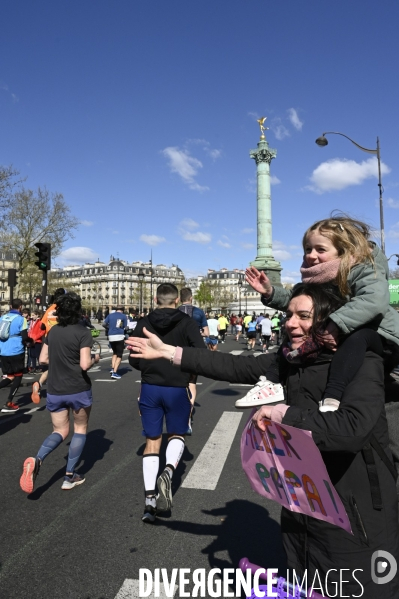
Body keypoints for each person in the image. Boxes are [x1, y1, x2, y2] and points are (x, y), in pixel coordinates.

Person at [128, 283, 399, 598]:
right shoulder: (293, 359)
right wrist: (170, 353)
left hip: (356, 515)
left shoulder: (362, 360)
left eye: (303, 316)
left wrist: (286, 415)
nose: (290, 323)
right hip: (304, 506)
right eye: (289, 315)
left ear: (330, 320)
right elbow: (235, 365)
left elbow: (352, 428)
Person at [242, 215, 399, 412]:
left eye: (320, 249)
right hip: (346, 330)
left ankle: (332, 398)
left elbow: (373, 300)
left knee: (358, 336)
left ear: (343, 250)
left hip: (380, 335)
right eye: (308, 249)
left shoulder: (363, 269)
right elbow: (297, 300)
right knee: (294, 325)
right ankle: (272, 381)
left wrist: (336, 323)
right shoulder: (320, 275)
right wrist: (270, 292)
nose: (311, 255)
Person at [127, 283, 204, 523]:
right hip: (177, 385)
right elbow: (200, 355)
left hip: (150, 386)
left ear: (155, 298)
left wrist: (147, 368)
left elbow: (134, 358)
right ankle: (169, 470)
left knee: (151, 441)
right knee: (177, 434)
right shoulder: (187, 322)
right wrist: (189, 377)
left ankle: (149, 501)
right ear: (178, 300)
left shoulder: (143, 322)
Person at [19, 293, 100, 493]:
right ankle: (69, 476)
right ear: (78, 311)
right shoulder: (83, 333)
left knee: (59, 431)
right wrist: (95, 359)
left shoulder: (52, 333)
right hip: (78, 387)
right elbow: (84, 364)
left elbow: (43, 360)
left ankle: (37, 459)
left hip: (55, 388)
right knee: (79, 429)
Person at [178, 287, 209, 434]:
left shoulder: (175, 312)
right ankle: (188, 417)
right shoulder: (198, 312)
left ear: (179, 298)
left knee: (177, 383)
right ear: (191, 298)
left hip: (176, 352)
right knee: (191, 383)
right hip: (193, 353)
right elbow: (206, 332)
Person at [31, 288, 67, 404]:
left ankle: (39, 383)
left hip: (48, 339)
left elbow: (42, 326)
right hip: (62, 339)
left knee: (50, 365)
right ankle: (60, 389)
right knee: (63, 364)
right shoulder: (64, 309)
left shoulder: (50, 309)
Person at [0, 299, 28, 412]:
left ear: (10, 306)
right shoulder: (22, 319)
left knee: (9, 376)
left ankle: (9, 402)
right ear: (20, 307)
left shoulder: (2, 317)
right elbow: (25, 337)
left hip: (3, 351)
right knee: (18, 375)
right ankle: (9, 402)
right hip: (16, 351)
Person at [103, 306, 127, 379]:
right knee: (119, 355)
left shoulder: (110, 315)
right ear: (122, 310)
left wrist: (109, 328)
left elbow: (103, 324)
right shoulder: (123, 316)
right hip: (119, 336)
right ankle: (115, 372)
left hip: (111, 336)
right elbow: (125, 327)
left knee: (114, 353)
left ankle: (113, 368)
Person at [27, 310, 45, 376]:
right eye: (32, 315)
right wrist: (28, 337)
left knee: (38, 355)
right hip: (31, 340)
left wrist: (36, 337)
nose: (32, 317)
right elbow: (29, 330)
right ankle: (34, 367)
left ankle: (40, 367)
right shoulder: (31, 322)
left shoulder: (40, 322)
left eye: (34, 315)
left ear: (37, 315)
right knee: (32, 355)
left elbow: (43, 331)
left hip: (37, 341)